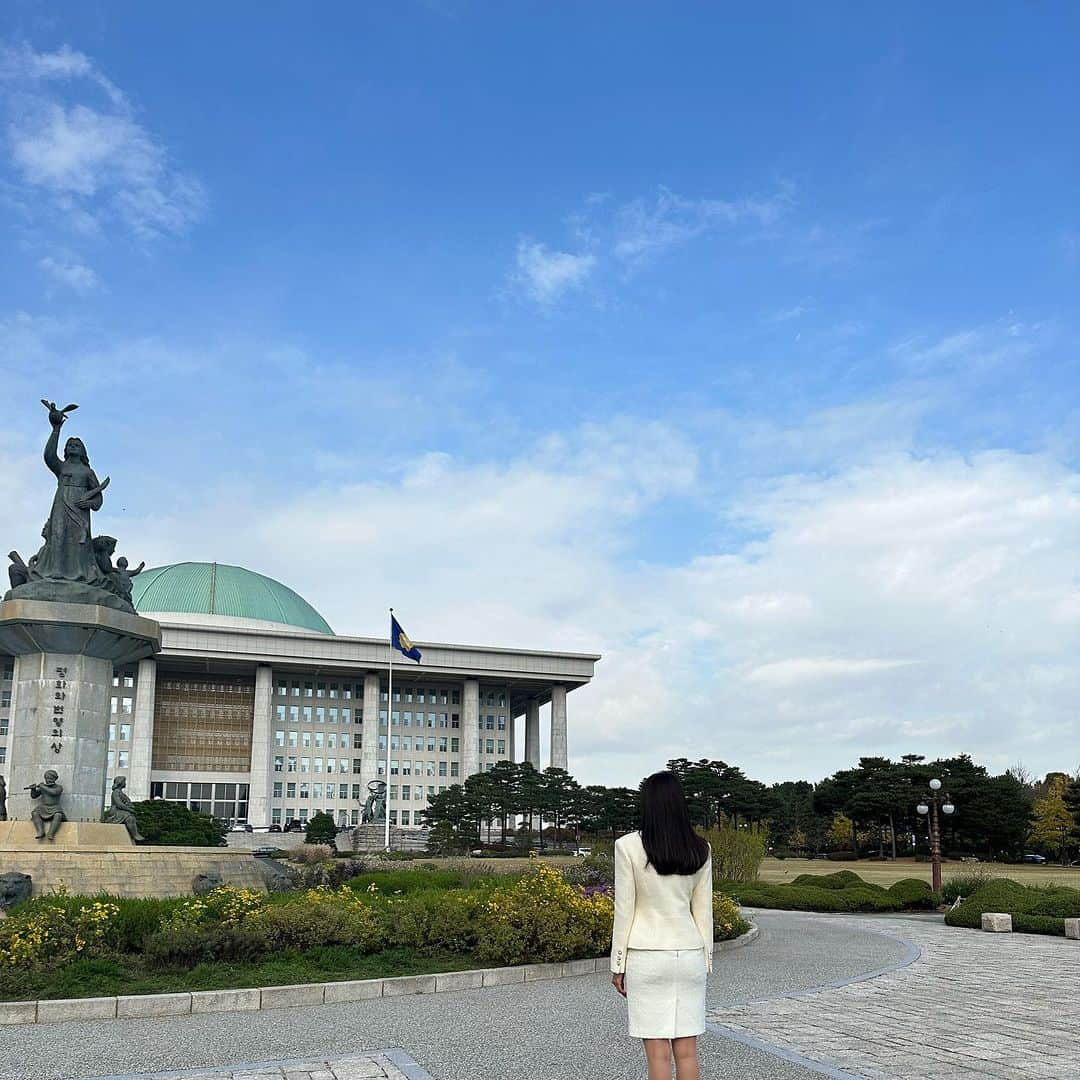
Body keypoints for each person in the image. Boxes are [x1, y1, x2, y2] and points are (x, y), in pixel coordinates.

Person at [611, 771, 713, 1080]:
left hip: (648, 954)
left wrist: (618, 963)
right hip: (690, 954)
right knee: (687, 1052)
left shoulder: (628, 846)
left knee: (658, 1054)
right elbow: (704, 912)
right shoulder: (701, 848)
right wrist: (706, 960)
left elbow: (624, 910)